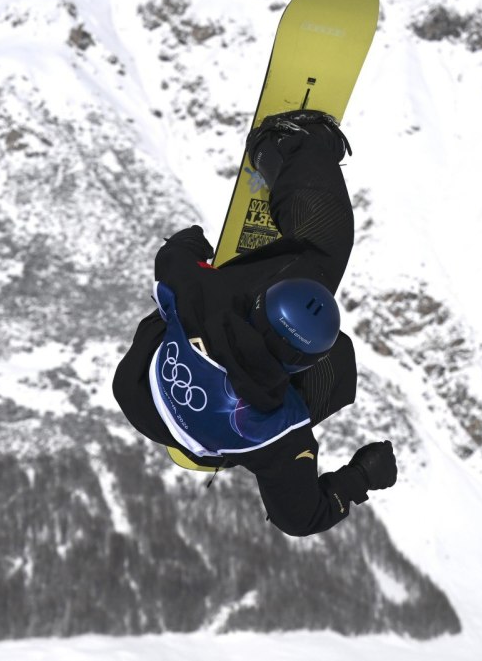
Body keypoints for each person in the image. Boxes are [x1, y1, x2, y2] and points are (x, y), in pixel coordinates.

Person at [113, 109, 397, 536]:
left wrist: (192, 245)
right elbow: (297, 518)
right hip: (200, 432)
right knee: (335, 366)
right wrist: (359, 479)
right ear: (300, 364)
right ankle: (287, 152)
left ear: (262, 301)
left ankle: (289, 144)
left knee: (318, 260)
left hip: (139, 382)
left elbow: (173, 258)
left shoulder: (200, 295)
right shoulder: (275, 432)